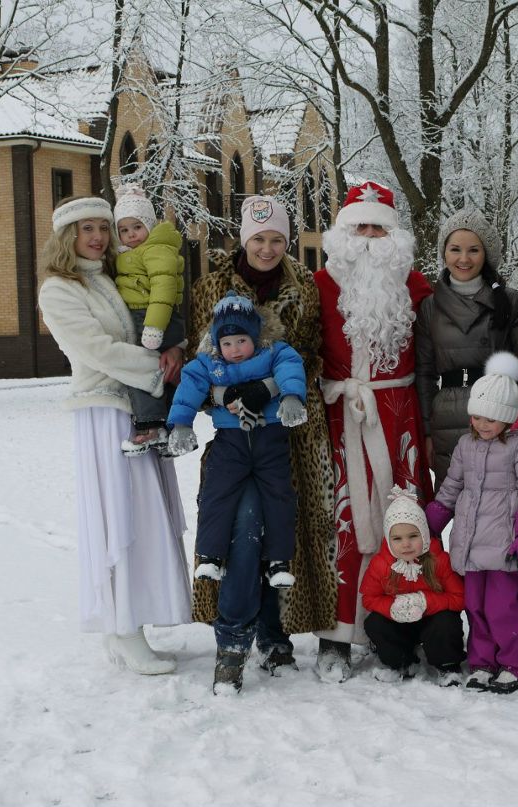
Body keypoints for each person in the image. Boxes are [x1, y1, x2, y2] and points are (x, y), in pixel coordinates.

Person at [37, 196, 191, 675]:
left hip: (134, 407)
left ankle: (125, 627)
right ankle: (124, 629)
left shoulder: (110, 275)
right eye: (87, 229)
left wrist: (176, 347)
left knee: (144, 517)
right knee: (120, 519)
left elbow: (150, 317)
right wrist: (156, 367)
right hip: (103, 408)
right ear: (67, 236)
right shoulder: (59, 289)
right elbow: (97, 349)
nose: (98, 238)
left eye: (103, 228)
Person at [187, 195, 338, 675]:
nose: (267, 248)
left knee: (283, 531)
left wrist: (269, 385)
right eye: (258, 239)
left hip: (292, 430)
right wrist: (227, 396)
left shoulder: (305, 287)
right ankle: (231, 638)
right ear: (243, 239)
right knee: (241, 527)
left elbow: (313, 354)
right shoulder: (210, 288)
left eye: (276, 238)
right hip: (234, 434)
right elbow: (200, 359)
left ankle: (275, 636)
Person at [315, 180, 434, 682]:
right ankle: (336, 637)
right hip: (341, 415)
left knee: (404, 520)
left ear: (395, 236)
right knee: (339, 526)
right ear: (343, 232)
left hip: (399, 414)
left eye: (378, 228)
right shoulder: (319, 284)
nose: (368, 236)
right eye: (359, 226)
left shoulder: (417, 286)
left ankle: (403, 628)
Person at [425, 352, 518, 694]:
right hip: (470, 541)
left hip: (505, 544)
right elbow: (451, 487)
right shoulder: (465, 445)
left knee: (504, 607)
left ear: (508, 418)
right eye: (476, 417)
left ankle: (513, 662)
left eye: (490, 418)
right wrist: (432, 523)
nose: (482, 424)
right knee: (474, 606)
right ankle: (481, 662)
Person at [415, 208, 518, 489]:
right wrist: (428, 431)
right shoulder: (430, 307)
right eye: (455, 249)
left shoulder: (511, 302)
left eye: (473, 250)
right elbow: (424, 373)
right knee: (457, 504)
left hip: (501, 415)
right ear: (444, 253)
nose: (464, 259)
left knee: (501, 504)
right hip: (448, 416)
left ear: (486, 254)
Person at [361, 488, 466, 685]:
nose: (406, 544)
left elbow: (460, 597)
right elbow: (369, 598)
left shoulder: (439, 560)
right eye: (397, 539)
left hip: (431, 623)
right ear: (388, 539)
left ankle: (448, 666)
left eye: (413, 536)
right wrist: (392, 607)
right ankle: (402, 662)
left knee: (446, 622)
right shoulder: (381, 564)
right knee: (374, 623)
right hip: (400, 623)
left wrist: (426, 601)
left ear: (424, 534)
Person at [112, 183, 186, 455]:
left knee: (139, 370)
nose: (131, 235)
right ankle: (170, 429)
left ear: (150, 225)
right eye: (124, 230)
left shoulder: (156, 250)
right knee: (162, 373)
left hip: (155, 317)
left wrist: (154, 326)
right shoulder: (135, 253)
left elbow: (163, 288)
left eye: (137, 227)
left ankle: (152, 426)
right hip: (149, 316)